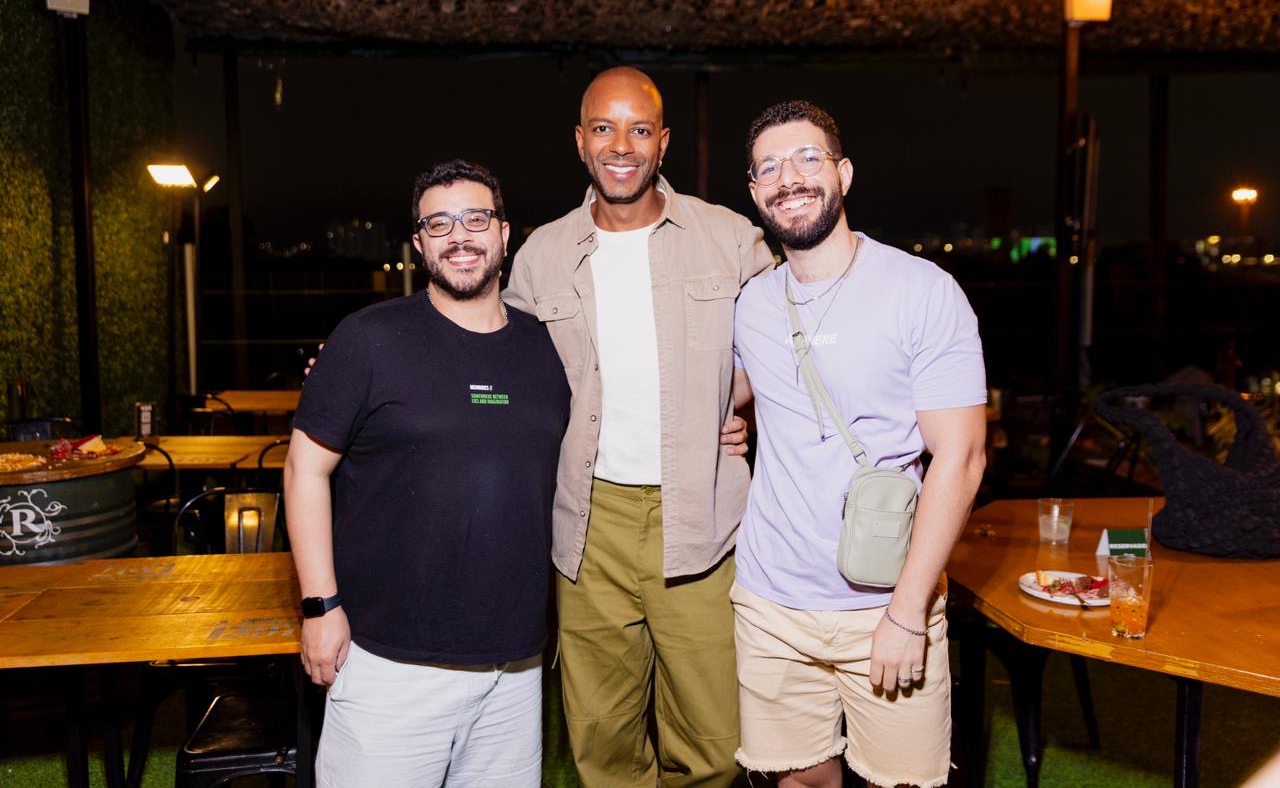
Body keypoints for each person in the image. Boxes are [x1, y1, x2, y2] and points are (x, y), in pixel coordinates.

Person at [503, 66, 775, 787]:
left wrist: (739, 403)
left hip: (703, 515)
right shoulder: (540, 257)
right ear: (580, 141)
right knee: (602, 744)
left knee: (716, 746)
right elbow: (509, 376)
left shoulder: (730, 239)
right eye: (603, 127)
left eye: (639, 128)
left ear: (663, 142)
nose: (620, 144)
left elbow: (789, 348)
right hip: (588, 522)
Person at [285, 159, 570, 787]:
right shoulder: (367, 340)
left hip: (514, 667)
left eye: (475, 219)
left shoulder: (546, 350)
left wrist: (726, 420)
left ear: (504, 233)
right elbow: (304, 468)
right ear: (417, 243)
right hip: (389, 663)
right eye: (438, 224)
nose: (459, 236)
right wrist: (320, 605)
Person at [729, 100, 987, 788]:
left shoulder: (922, 292)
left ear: (843, 172)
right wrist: (729, 420)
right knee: (798, 781)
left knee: (901, 783)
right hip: (769, 602)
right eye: (770, 167)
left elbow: (960, 458)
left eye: (809, 158)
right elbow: (726, 396)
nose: (791, 177)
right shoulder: (753, 304)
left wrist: (908, 614)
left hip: (884, 601)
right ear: (756, 192)